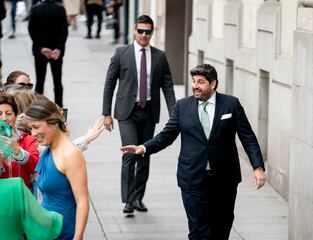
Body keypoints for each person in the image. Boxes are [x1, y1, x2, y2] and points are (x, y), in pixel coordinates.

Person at [121, 64, 267, 240]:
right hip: (192, 177)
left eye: (200, 82)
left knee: (222, 225)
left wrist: (258, 167)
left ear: (213, 84)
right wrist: (144, 147)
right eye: (193, 81)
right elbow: (167, 135)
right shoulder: (182, 106)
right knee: (198, 229)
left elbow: (248, 137)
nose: (195, 86)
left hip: (224, 178)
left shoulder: (231, 104)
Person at [102, 14, 176, 214]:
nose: (144, 35)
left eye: (148, 32)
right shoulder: (121, 53)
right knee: (129, 154)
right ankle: (127, 200)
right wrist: (106, 113)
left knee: (144, 155)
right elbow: (110, 83)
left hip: (149, 112)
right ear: (134, 31)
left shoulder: (160, 56)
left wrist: (174, 112)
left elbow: (167, 85)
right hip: (127, 112)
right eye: (141, 31)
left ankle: (138, 198)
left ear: (152, 33)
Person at [25, 98, 89, 240]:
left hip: (64, 230)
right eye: (31, 128)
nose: (33, 133)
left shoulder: (71, 154)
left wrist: (78, 237)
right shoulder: (50, 148)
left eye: (36, 127)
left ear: (53, 122)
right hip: (48, 228)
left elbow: (82, 200)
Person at [28, 0, 69, 108]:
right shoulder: (60, 9)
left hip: (40, 51)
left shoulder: (35, 9)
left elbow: (31, 30)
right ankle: (59, 108)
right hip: (56, 52)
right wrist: (58, 48)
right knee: (57, 81)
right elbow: (64, 31)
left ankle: (38, 107)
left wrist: (41, 47)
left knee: (40, 80)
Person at [0, 94, 39, 188]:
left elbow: (36, 167)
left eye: (9, 113)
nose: (4, 118)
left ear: (16, 116)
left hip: (20, 197)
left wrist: (17, 150)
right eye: (0, 114)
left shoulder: (28, 140)